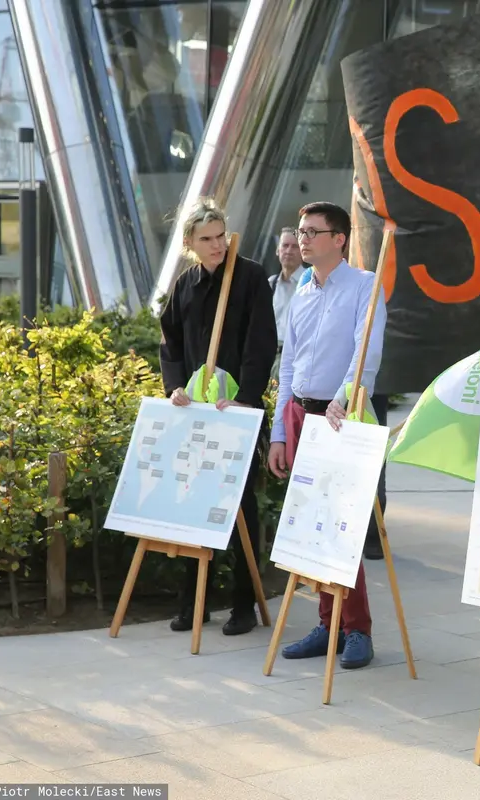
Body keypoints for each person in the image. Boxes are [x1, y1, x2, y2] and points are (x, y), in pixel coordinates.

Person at [267, 200, 386, 670]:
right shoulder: (301, 293)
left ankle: (357, 629)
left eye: (313, 231)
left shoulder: (364, 286)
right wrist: (280, 429)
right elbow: (289, 365)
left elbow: (366, 353)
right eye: (300, 231)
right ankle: (327, 623)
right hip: (301, 417)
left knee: (343, 526)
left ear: (339, 239)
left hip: (343, 419)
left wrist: (344, 396)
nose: (302, 239)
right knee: (311, 526)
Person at [158, 197, 278, 636]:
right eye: (206, 239)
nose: (217, 244)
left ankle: (244, 604)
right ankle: (194, 602)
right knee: (194, 503)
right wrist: (174, 387)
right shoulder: (185, 285)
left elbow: (261, 343)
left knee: (241, 507)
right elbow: (169, 343)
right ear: (190, 242)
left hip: (237, 414)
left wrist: (247, 398)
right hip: (197, 415)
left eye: (220, 236)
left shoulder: (248, 278)